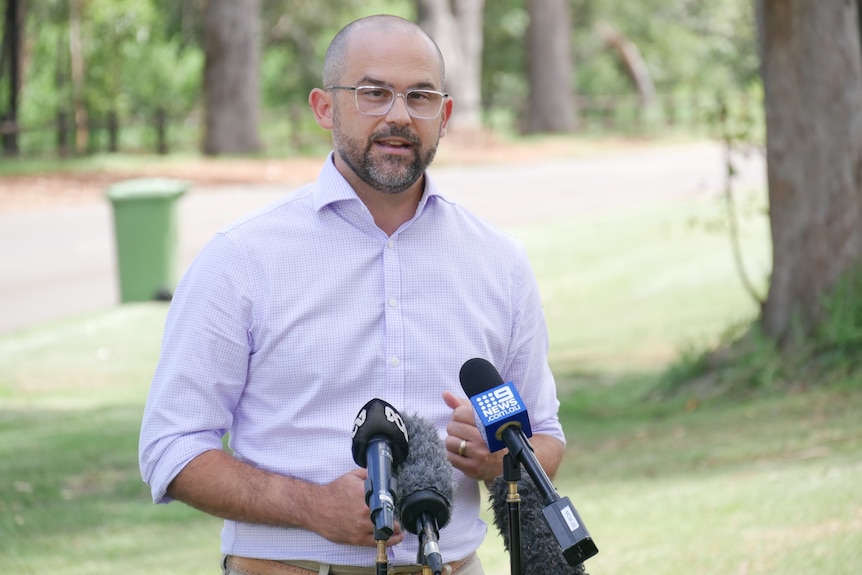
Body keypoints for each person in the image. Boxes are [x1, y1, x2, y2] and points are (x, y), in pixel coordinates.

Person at [138, 14, 566, 575]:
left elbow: (547, 440)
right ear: (324, 107)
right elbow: (171, 448)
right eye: (373, 93)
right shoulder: (241, 258)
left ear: (445, 114)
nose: (397, 114)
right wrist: (311, 507)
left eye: (419, 96)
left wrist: (500, 460)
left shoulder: (499, 260)